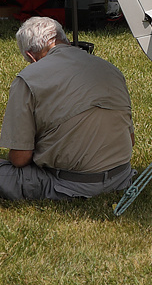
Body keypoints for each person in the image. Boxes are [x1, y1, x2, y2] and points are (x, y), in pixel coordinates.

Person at [0, 17, 133, 201]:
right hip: (120, 177)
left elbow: (19, 159)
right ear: (65, 39)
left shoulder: (28, 78)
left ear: (31, 56)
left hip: (70, 185)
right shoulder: (111, 69)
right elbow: (131, 139)